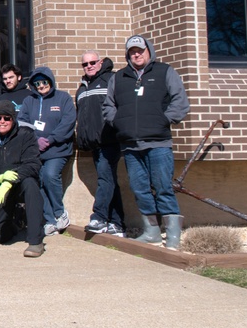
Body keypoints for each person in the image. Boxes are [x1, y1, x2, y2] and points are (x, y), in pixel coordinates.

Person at [103, 35, 190, 249]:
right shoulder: (119, 77)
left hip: (158, 143)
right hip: (130, 145)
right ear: (128, 54)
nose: (136, 54)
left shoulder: (164, 72)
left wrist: (164, 120)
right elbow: (108, 106)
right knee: (139, 188)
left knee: (163, 188)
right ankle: (151, 233)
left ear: (149, 50)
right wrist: (119, 123)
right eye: (132, 51)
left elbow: (180, 101)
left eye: (140, 50)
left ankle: (172, 236)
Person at [0, 100, 46, 258]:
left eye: (7, 118)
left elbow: (33, 164)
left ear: (13, 119)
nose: (2, 122)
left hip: (20, 183)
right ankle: (16, 221)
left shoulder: (26, 135)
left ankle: (35, 241)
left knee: (32, 186)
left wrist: (11, 179)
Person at [18, 66, 76, 237]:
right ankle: (49, 220)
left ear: (50, 81)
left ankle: (59, 212)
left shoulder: (63, 98)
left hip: (58, 150)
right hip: (36, 151)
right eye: (37, 83)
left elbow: (68, 122)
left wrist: (50, 140)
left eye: (44, 82)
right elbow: (22, 122)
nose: (41, 85)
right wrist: (35, 140)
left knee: (50, 176)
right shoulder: (29, 101)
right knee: (39, 183)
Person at [76, 52, 125, 237]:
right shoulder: (82, 88)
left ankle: (99, 217)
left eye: (92, 62)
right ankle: (117, 223)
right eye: (85, 64)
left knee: (105, 179)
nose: (88, 66)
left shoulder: (111, 81)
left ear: (101, 62)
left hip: (110, 141)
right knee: (109, 180)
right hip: (94, 144)